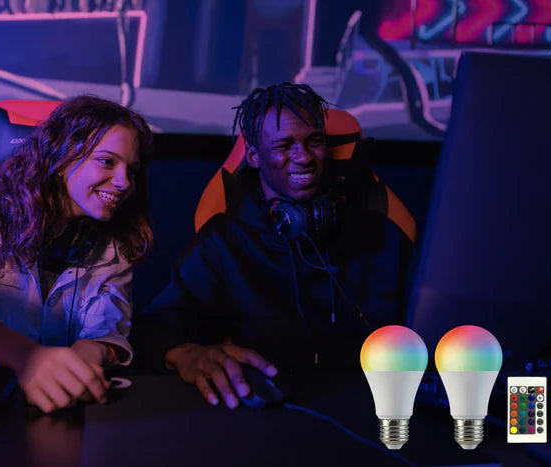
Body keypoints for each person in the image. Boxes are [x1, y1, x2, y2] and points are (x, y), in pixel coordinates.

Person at [131, 83, 408, 409]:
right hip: (275, 411)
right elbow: (156, 326)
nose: (304, 156)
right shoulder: (225, 242)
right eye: (284, 145)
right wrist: (186, 353)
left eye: (314, 141)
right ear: (253, 156)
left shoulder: (377, 232)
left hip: (374, 406)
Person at [0, 95, 153, 413]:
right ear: (61, 161)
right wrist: (28, 358)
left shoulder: (116, 241)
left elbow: (109, 326)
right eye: (107, 161)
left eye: (133, 170)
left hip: (58, 404)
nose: (124, 182)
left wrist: (87, 356)